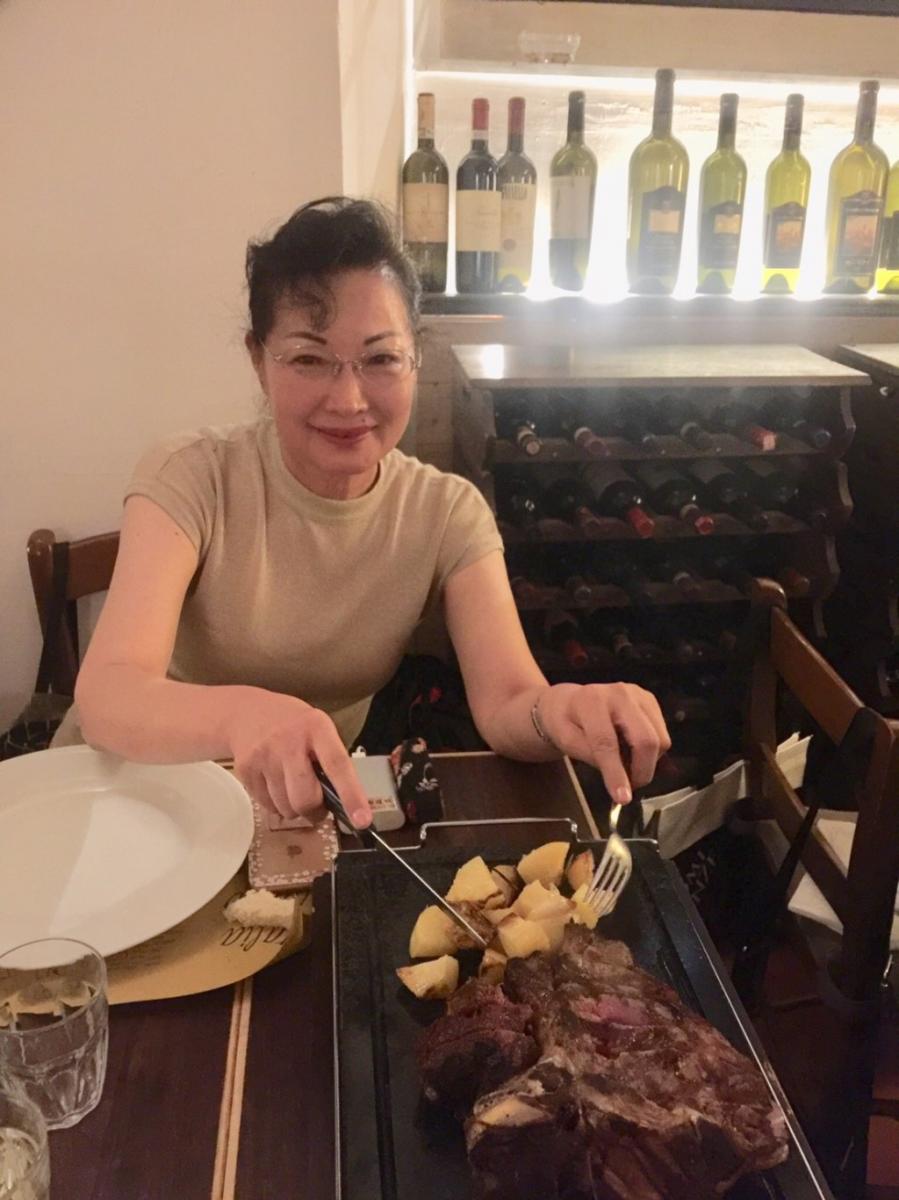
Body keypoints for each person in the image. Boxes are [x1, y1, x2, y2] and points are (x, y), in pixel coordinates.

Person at [75, 197, 670, 829]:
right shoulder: (193, 477)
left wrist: (563, 711)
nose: (348, 399)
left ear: (415, 358)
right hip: (145, 797)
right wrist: (244, 716)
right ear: (259, 360)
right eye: (309, 359)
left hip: (307, 808)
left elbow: (508, 701)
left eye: (381, 358)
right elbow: (109, 693)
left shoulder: (446, 512)